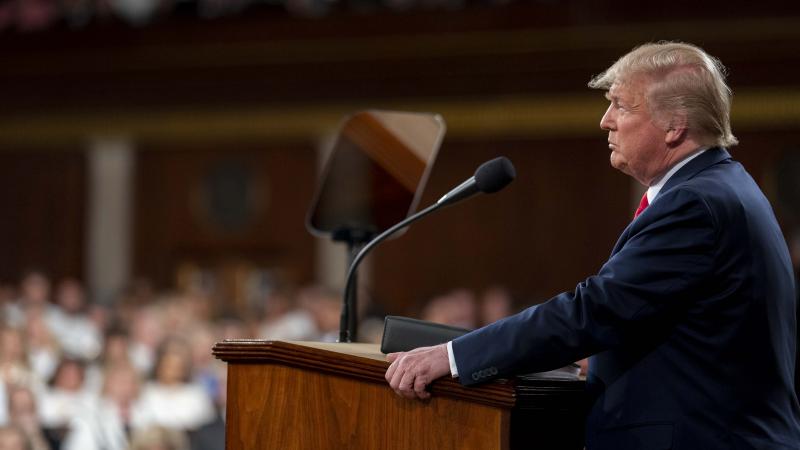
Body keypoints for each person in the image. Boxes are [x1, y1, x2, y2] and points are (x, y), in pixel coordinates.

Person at [385, 41, 800, 449]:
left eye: (621, 105)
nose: (605, 120)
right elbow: (657, 320)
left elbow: (597, 309)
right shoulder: (721, 187)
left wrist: (454, 357)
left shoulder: (696, 203)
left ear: (674, 125)